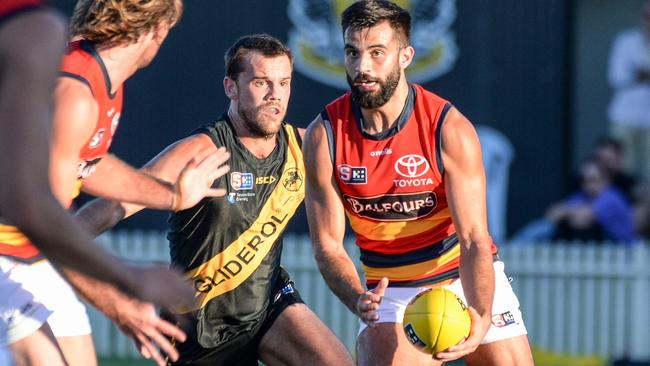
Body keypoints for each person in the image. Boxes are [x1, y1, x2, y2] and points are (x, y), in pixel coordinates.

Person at [76, 34, 354, 366]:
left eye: (283, 82)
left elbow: (375, 183)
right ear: (231, 87)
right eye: (261, 82)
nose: (275, 95)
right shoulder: (201, 152)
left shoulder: (305, 147)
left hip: (267, 306)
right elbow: (114, 205)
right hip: (198, 328)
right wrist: (49, 242)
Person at [302, 1, 534, 365]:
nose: (362, 67)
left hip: (463, 276)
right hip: (388, 291)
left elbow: (474, 238)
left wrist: (481, 315)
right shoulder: (324, 135)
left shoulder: (449, 128)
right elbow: (328, 246)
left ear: (406, 55)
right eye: (352, 52)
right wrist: (356, 297)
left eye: (377, 53)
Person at [0, 0, 231, 365]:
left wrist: (171, 196)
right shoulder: (74, 94)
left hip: (35, 254)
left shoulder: (99, 74)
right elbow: (43, 219)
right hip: (9, 252)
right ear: (157, 30)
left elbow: (85, 158)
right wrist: (120, 292)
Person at [607, 0, 650, 179]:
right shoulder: (626, 41)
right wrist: (638, 76)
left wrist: (639, 73)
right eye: (648, 17)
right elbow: (615, 76)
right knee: (623, 171)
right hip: (624, 117)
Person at [547, 157, 636, 244]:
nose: (587, 184)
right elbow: (553, 215)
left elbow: (585, 218)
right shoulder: (582, 196)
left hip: (624, 251)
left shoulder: (611, 197)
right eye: (584, 179)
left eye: (593, 179)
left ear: (606, 180)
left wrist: (567, 213)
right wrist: (572, 213)